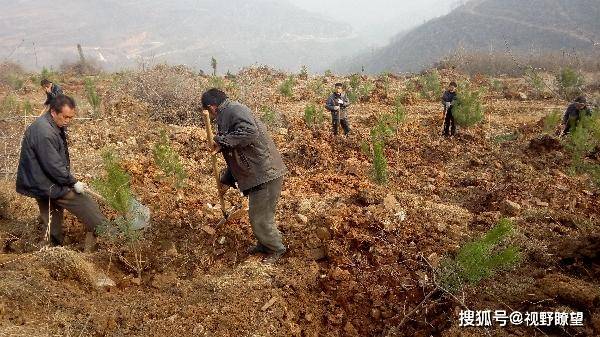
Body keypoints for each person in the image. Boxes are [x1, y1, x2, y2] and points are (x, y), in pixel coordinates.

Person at [201, 88, 287, 262]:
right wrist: (223, 150)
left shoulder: (234, 110)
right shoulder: (227, 113)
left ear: (211, 107)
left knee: (260, 218)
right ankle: (264, 244)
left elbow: (249, 132)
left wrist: (221, 140)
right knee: (259, 216)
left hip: (265, 172)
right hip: (258, 171)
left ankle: (277, 248)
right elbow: (238, 146)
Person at [16, 95, 106, 252]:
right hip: (46, 183)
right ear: (53, 112)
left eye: (71, 117)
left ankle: (52, 250)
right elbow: (53, 166)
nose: (68, 121)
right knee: (85, 204)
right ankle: (109, 234)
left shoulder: (51, 125)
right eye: (65, 117)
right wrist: (72, 182)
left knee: (52, 218)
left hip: (41, 181)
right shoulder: (44, 132)